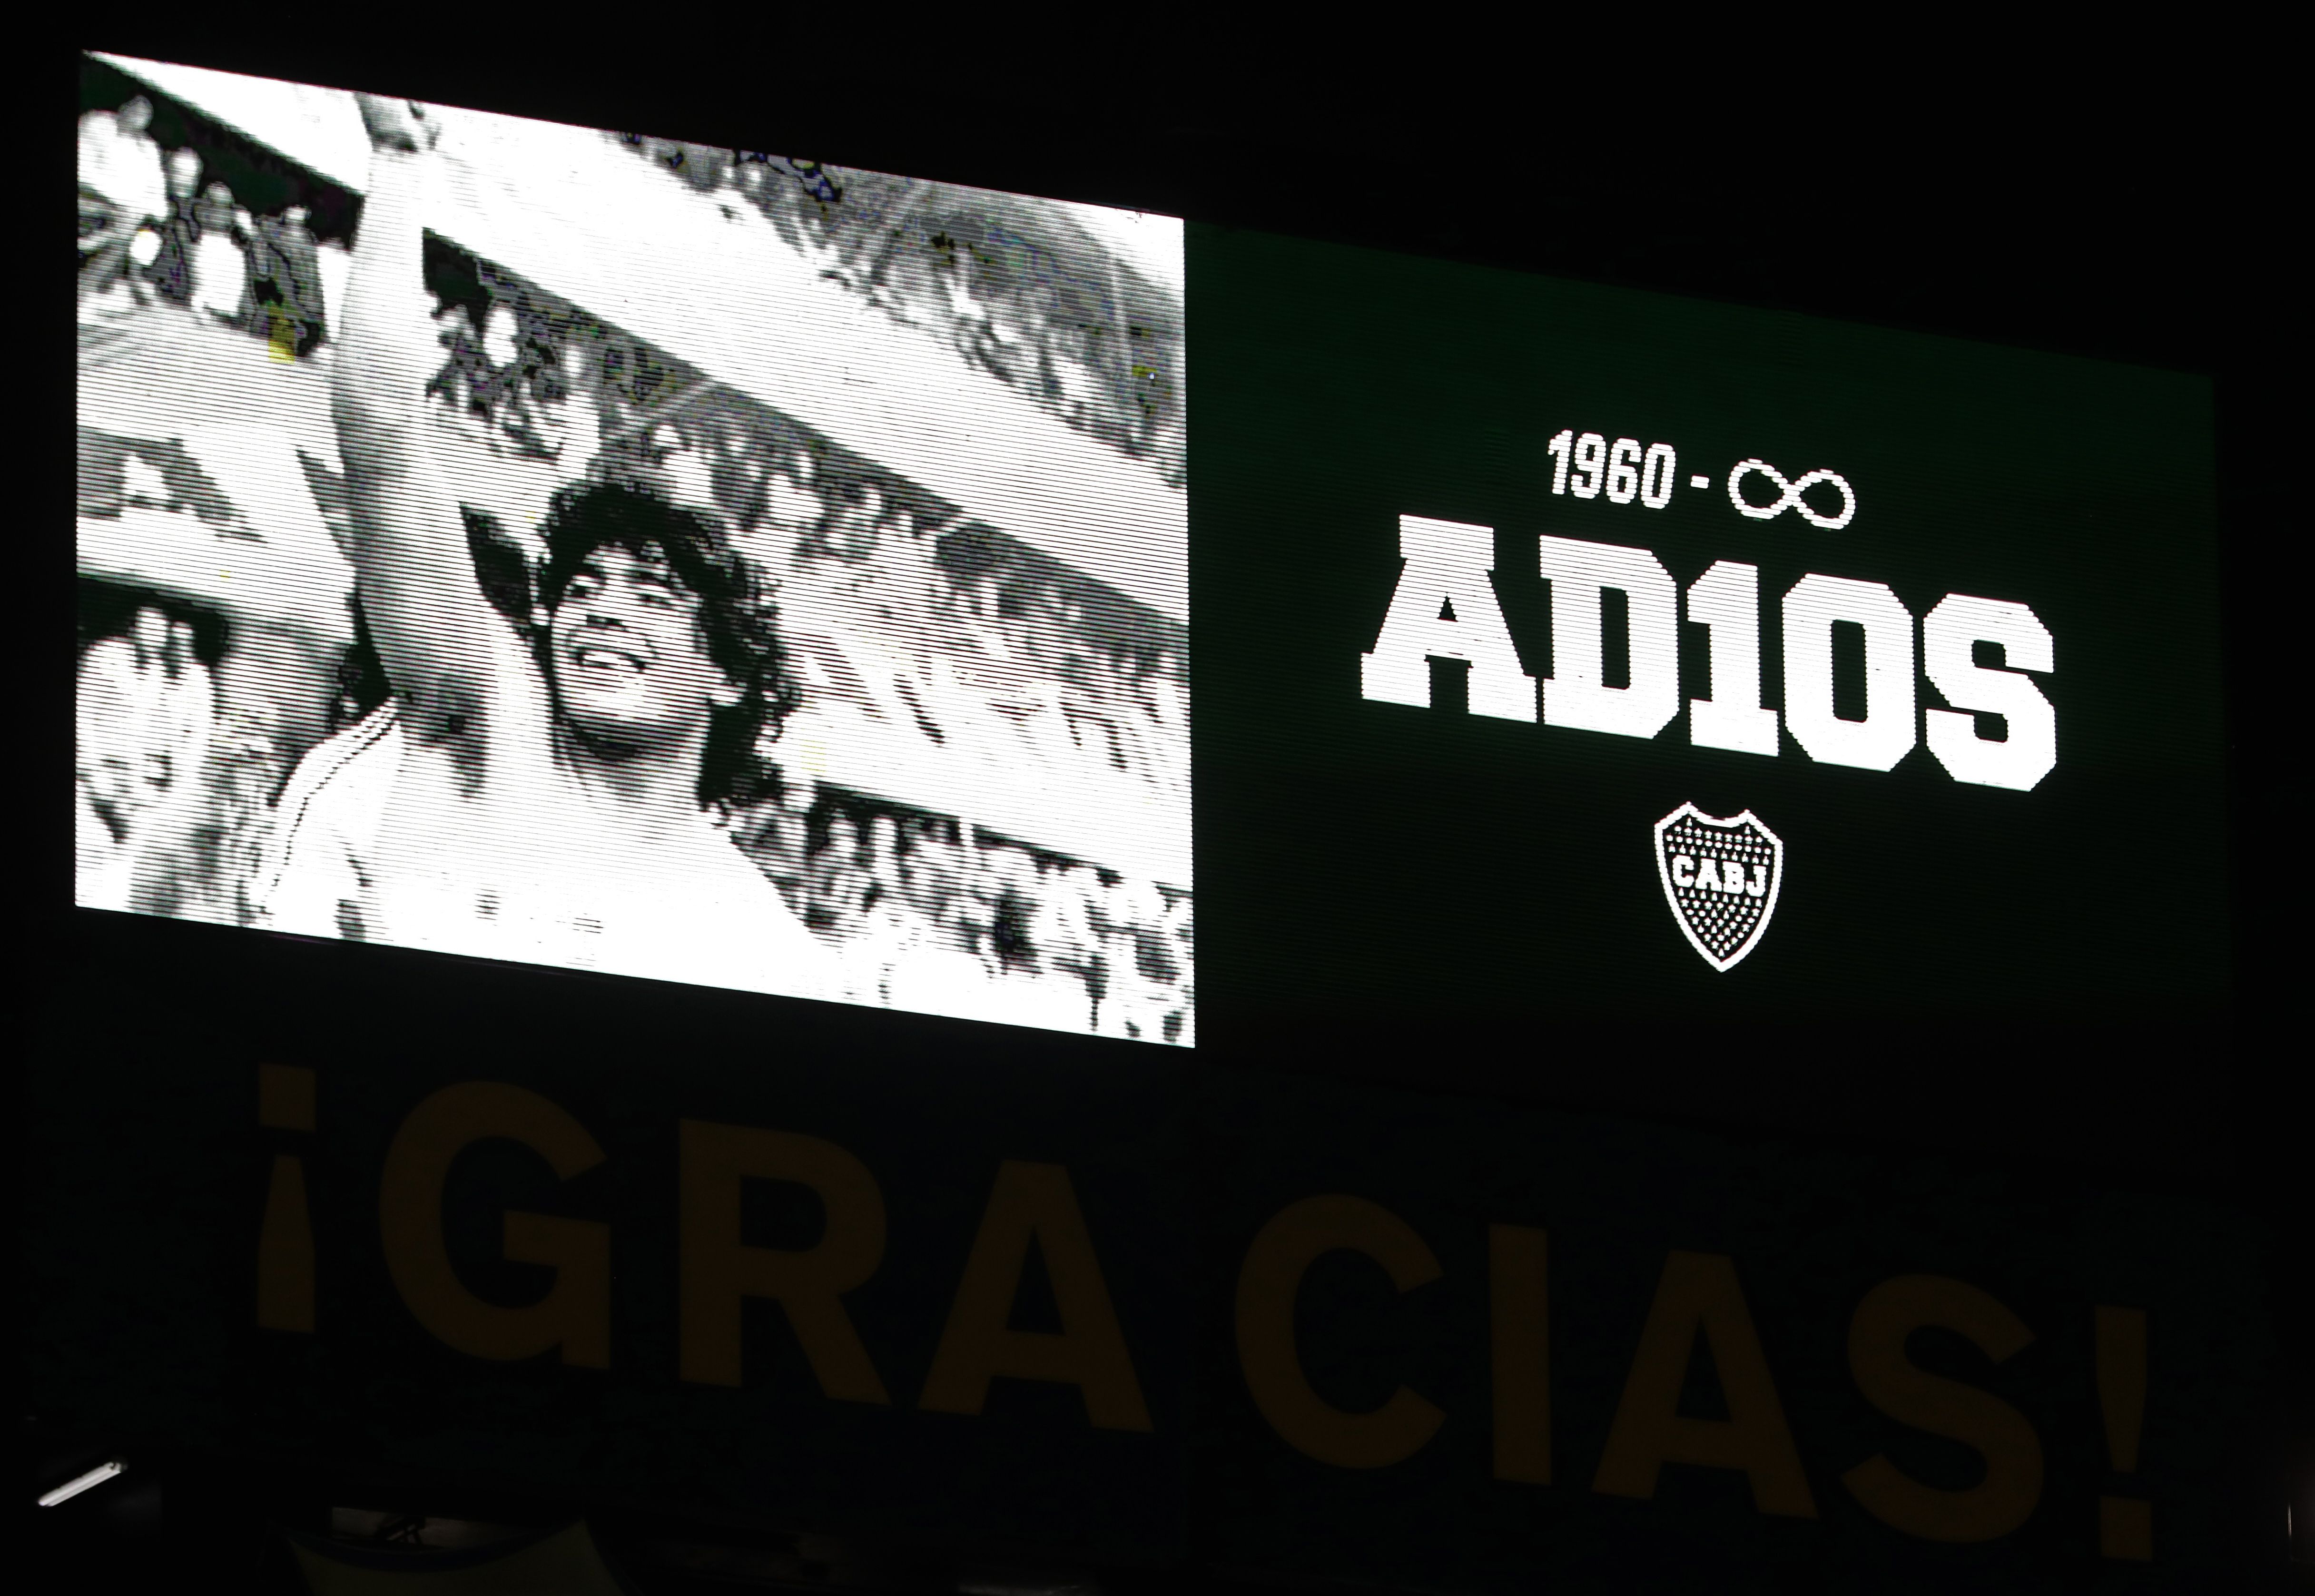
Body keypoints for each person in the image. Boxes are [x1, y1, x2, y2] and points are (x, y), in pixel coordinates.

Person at [314, 94, 836, 999]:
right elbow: (384, 438)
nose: (604, 609)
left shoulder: (761, 950)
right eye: (587, 585)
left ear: (727, 675)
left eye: (653, 595)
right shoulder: (483, 726)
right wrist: (400, 167)